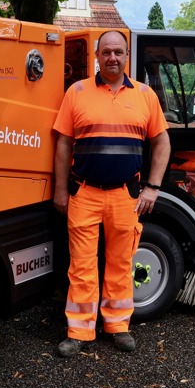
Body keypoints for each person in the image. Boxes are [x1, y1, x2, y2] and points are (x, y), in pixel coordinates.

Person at [52, 30, 170, 357]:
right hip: (84, 193)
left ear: (127, 55)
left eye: (118, 52)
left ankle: (118, 326)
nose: (112, 58)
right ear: (97, 56)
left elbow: (162, 142)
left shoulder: (145, 95)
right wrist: (60, 190)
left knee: (120, 263)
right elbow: (63, 143)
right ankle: (79, 331)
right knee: (81, 266)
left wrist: (153, 187)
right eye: (106, 52)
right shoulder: (76, 92)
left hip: (125, 195)